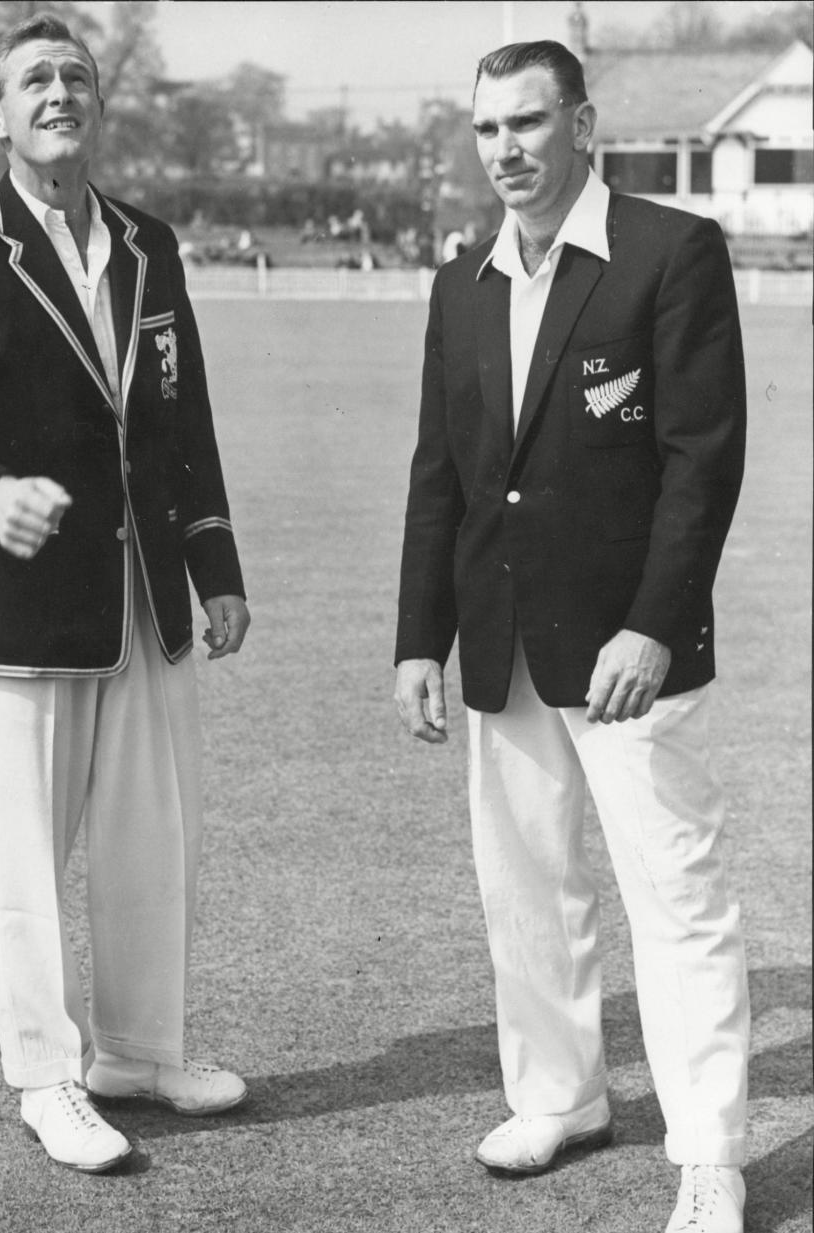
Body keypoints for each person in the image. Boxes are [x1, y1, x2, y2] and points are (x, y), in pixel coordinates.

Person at [394, 41, 749, 1233]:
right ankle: (560, 1097)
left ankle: (709, 1153)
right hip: (503, 642)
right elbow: (441, 475)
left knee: (677, 898)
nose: (507, 150)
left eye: (530, 124)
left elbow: (702, 462)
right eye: (489, 128)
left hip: (632, 660)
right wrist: (417, 640)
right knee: (527, 892)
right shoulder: (462, 282)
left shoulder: (671, 251)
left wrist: (653, 625)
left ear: (584, 126)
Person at [0, 15, 251, 1174]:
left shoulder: (151, 242)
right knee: (24, 862)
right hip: (19, 601)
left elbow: (180, 412)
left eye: (78, 76)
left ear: (99, 106)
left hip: (144, 594)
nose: (61, 91)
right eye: (35, 79)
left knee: (156, 835)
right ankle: (48, 1077)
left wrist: (215, 567)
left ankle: (139, 1053)